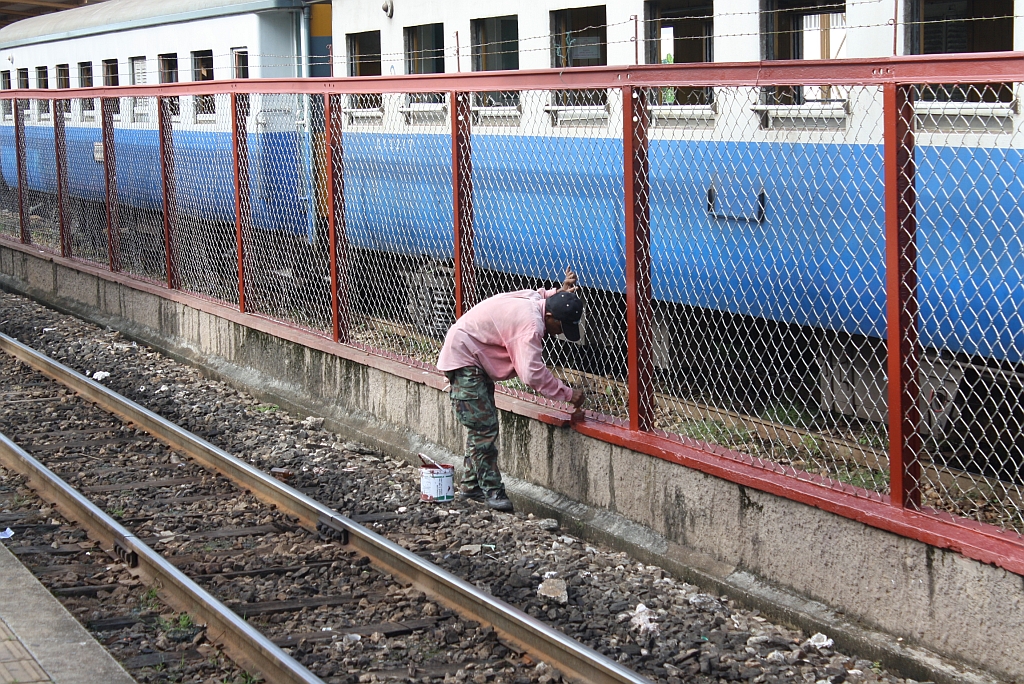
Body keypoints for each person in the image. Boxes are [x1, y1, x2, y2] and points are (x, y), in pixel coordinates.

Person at [437, 267, 587, 512]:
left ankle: (470, 486)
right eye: (560, 326)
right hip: (465, 359)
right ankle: (493, 491)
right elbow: (531, 374)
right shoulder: (531, 327)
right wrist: (568, 395)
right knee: (484, 428)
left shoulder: (534, 300)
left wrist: (561, 291)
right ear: (549, 316)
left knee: (481, 425)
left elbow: (543, 294)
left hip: (473, 354)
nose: (560, 333)